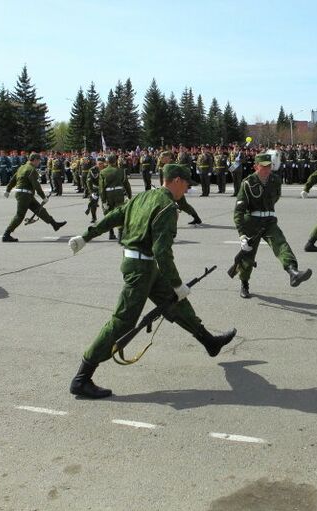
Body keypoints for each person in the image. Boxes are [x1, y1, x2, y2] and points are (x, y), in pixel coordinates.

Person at [66, 163, 237, 399]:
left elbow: (115, 215)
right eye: (186, 184)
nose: (187, 189)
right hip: (141, 269)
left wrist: (87, 236)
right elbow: (162, 252)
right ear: (176, 180)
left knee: (175, 303)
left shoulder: (145, 196)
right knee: (122, 322)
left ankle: (208, 341)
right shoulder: (166, 207)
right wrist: (178, 284)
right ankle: (82, 378)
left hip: (143, 265)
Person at [233, 153, 312, 298]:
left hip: (269, 221)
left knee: (281, 244)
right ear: (256, 166)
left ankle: (293, 272)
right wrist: (242, 235)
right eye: (263, 166)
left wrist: (266, 212)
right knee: (247, 257)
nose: (266, 169)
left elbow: (275, 198)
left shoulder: (275, 180)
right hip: (251, 223)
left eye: (269, 166)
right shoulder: (247, 183)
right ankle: (244, 283)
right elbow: (238, 212)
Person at [2, 153, 67, 242]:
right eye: (39, 160)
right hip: (24, 195)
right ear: (35, 160)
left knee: (40, 210)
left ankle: (54, 224)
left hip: (26, 195)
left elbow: (13, 179)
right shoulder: (32, 170)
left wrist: (8, 190)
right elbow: (36, 185)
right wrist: (43, 197)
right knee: (20, 215)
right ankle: (6, 234)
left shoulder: (22, 167)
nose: (39, 162)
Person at [159, 151, 202, 225]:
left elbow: (182, 177)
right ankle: (196, 218)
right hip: (168, 189)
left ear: (167, 157)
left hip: (176, 189)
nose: (161, 159)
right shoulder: (165, 165)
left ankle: (196, 218)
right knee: (169, 204)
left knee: (183, 205)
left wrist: (186, 187)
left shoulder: (174, 165)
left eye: (162, 157)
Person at [100, 153, 133, 240]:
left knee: (109, 214)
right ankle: (120, 233)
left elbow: (101, 188)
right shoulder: (121, 171)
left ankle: (111, 233)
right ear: (115, 161)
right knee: (119, 213)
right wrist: (129, 196)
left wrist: (103, 201)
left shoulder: (103, 172)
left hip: (108, 195)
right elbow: (126, 184)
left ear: (107, 161)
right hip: (119, 194)